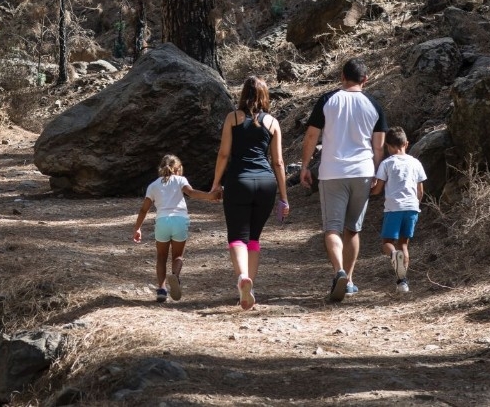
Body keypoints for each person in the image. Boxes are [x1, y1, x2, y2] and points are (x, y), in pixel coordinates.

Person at [300, 58, 388, 302]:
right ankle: (348, 280)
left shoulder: (327, 100)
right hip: (363, 172)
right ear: (365, 79)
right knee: (353, 229)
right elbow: (378, 147)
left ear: (342, 76)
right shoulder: (374, 105)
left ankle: (338, 271)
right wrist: (377, 173)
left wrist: (305, 166)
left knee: (332, 228)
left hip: (332, 172)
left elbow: (311, 136)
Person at [210, 76, 291, 310]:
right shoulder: (273, 122)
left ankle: (243, 278)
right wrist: (284, 196)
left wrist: (216, 183)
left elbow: (223, 154)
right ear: (265, 96)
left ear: (243, 94)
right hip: (266, 183)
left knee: (237, 236)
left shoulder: (233, 118)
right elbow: (278, 162)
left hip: (239, 181)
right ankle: (250, 290)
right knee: (254, 238)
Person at [132, 154, 216, 302]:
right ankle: (175, 276)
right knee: (178, 256)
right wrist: (210, 196)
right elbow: (191, 192)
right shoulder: (180, 180)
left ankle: (162, 289)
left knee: (161, 257)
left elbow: (144, 209)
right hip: (179, 220)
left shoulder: (153, 186)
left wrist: (137, 228)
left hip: (162, 221)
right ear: (178, 169)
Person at [371, 127, 426, 293]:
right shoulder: (416, 163)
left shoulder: (387, 163)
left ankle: (394, 255)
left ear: (388, 146)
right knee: (404, 244)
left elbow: (378, 189)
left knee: (387, 243)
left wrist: (368, 192)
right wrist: (415, 204)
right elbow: (420, 191)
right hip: (412, 208)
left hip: (393, 208)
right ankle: (402, 282)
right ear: (406, 144)